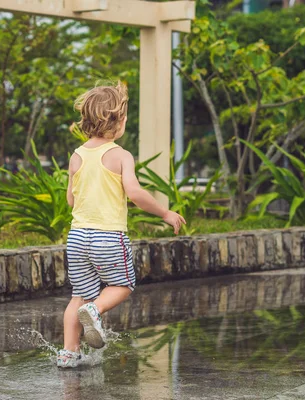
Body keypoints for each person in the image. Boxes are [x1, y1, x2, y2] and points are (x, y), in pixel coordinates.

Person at [57, 82, 186, 368]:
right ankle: (96, 308)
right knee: (123, 285)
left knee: (77, 296)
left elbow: (70, 199)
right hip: (108, 237)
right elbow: (136, 193)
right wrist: (164, 213)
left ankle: (68, 352)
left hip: (77, 238)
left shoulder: (76, 155)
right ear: (118, 122)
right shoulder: (121, 155)